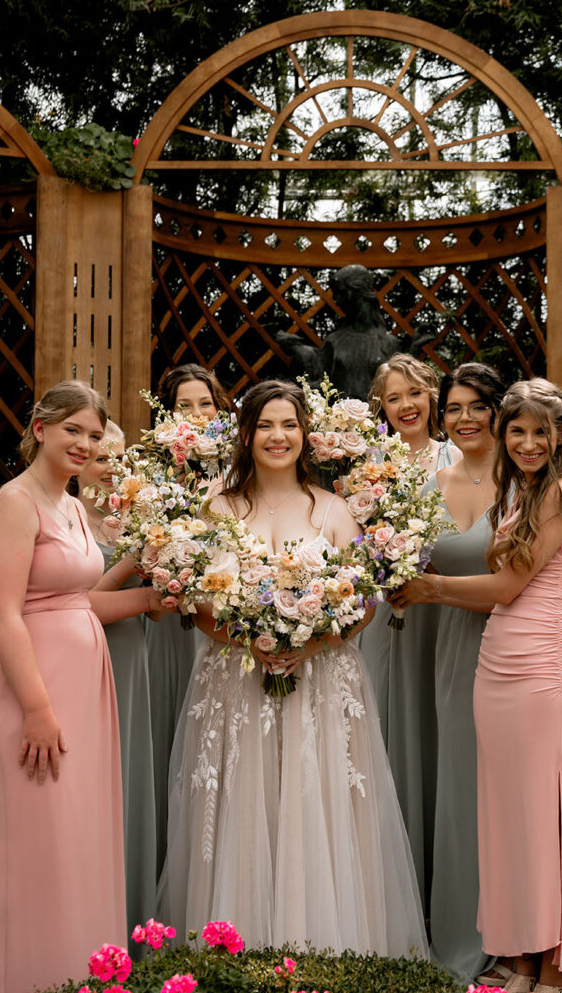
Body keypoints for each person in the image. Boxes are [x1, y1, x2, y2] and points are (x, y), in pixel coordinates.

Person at [157, 380, 428, 958]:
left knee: (313, 804)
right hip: (234, 679)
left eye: (289, 425)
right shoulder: (216, 507)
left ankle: (325, 952)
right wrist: (247, 639)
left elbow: (364, 602)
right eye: (264, 425)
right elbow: (194, 603)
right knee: (242, 806)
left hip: (321, 682)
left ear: (306, 434)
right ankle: (235, 949)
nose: (277, 437)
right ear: (245, 434)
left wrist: (310, 642)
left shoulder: (332, 507)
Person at [394, 378, 562, 993]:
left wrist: (429, 588)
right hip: (497, 663)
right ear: (504, 433)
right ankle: (515, 956)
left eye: (542, 431)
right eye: (519, 430)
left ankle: (554, 968)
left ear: (561, 435)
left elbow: (508, 587)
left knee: (542, 819)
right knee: (506, 819)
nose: (530, 442)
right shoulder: (519, 493)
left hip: (541, 667)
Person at [0, 381, 165, 993]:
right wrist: (38, 709)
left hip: (84, 686)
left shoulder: (71, 506)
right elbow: (4, 614)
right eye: (74, 429)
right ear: (40, 428)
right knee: (38, 841)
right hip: (35, 693)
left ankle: (80, 974)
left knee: (78, 836)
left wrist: (154, 595)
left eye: (95, 435)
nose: (85, 443)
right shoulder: (14, 504)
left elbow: (79, 602)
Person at [361, 352, 460, 907]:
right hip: (385, 608)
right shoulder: (368, 464)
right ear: (382, 406)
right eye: (393, 397)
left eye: (415, 394)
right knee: (386, 717)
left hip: (440, 609)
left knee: (431, 719)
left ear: (433, 396)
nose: (406, 406)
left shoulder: (455, 457)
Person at [416, 363, 504, 980]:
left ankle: (517, 935)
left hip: (512, 646)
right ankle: (458, 931)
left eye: (477, 406)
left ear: (498, 411)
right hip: (449, 650)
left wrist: (432, 588)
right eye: (454, 408)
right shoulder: (428, 482)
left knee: (508, 793)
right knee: (457, 788)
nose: (465, 418)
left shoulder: (525, 478)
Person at [146, 363, 235, 881]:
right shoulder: (153, 479)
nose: (197, 416)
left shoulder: (239, 474)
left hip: (220, 626)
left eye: (205, 404)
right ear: (167, 416)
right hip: (166, 625)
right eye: (184, 406)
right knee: (166, 737)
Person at [76, 420, 157, 954]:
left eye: (122, 458)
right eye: (102, 458)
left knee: (131, 774)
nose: (113, 469)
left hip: (133, 655)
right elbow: (71, 602)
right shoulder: (70, 520)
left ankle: (134, 919)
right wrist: (136, 557)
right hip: (85, 658)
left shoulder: (142, 518)